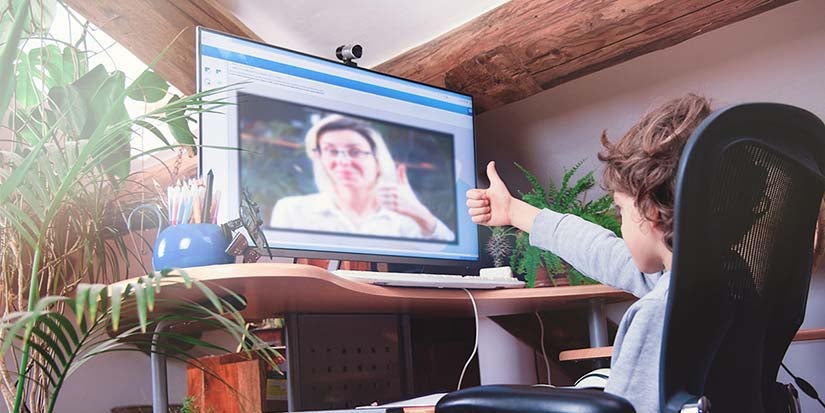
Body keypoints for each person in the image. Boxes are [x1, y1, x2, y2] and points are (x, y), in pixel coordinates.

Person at [467, 94, 711, 412]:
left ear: (650, 211)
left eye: (621, 211)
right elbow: (602, 251)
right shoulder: (716, 282)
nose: (620, 225)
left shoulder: (658, 312)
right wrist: (514, 212)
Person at [270, 114, 455, 241]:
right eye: (331, 151)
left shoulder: (405, 219)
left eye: (355, 151)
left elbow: (450, 253)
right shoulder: (291, 210)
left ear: (378, 159)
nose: (343, 161)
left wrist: (420, 214)